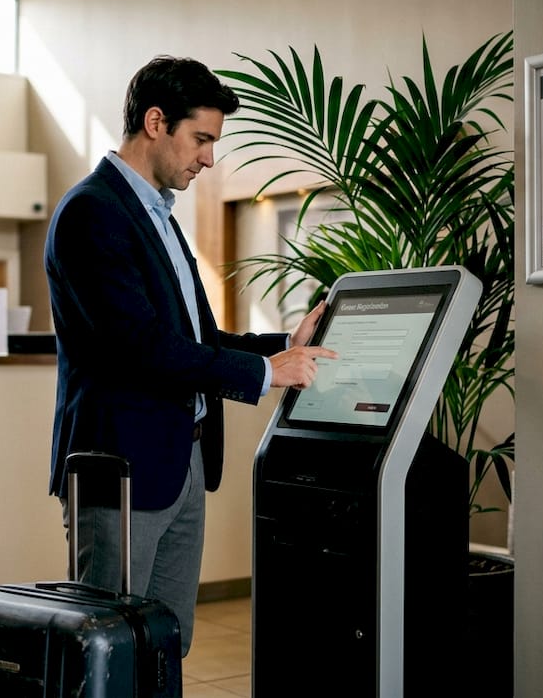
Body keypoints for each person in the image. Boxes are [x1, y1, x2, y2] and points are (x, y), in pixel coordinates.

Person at [44, 56, 335, 656]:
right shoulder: (91, 211)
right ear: (156, 122)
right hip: (121, 466)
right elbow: (138, 346)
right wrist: (261, 374)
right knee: (108, 651)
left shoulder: (159, 217)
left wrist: (284, 345)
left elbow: (193, 337)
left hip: (185, 459)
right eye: (201, 138)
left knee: (166, 646)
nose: (209, 157)